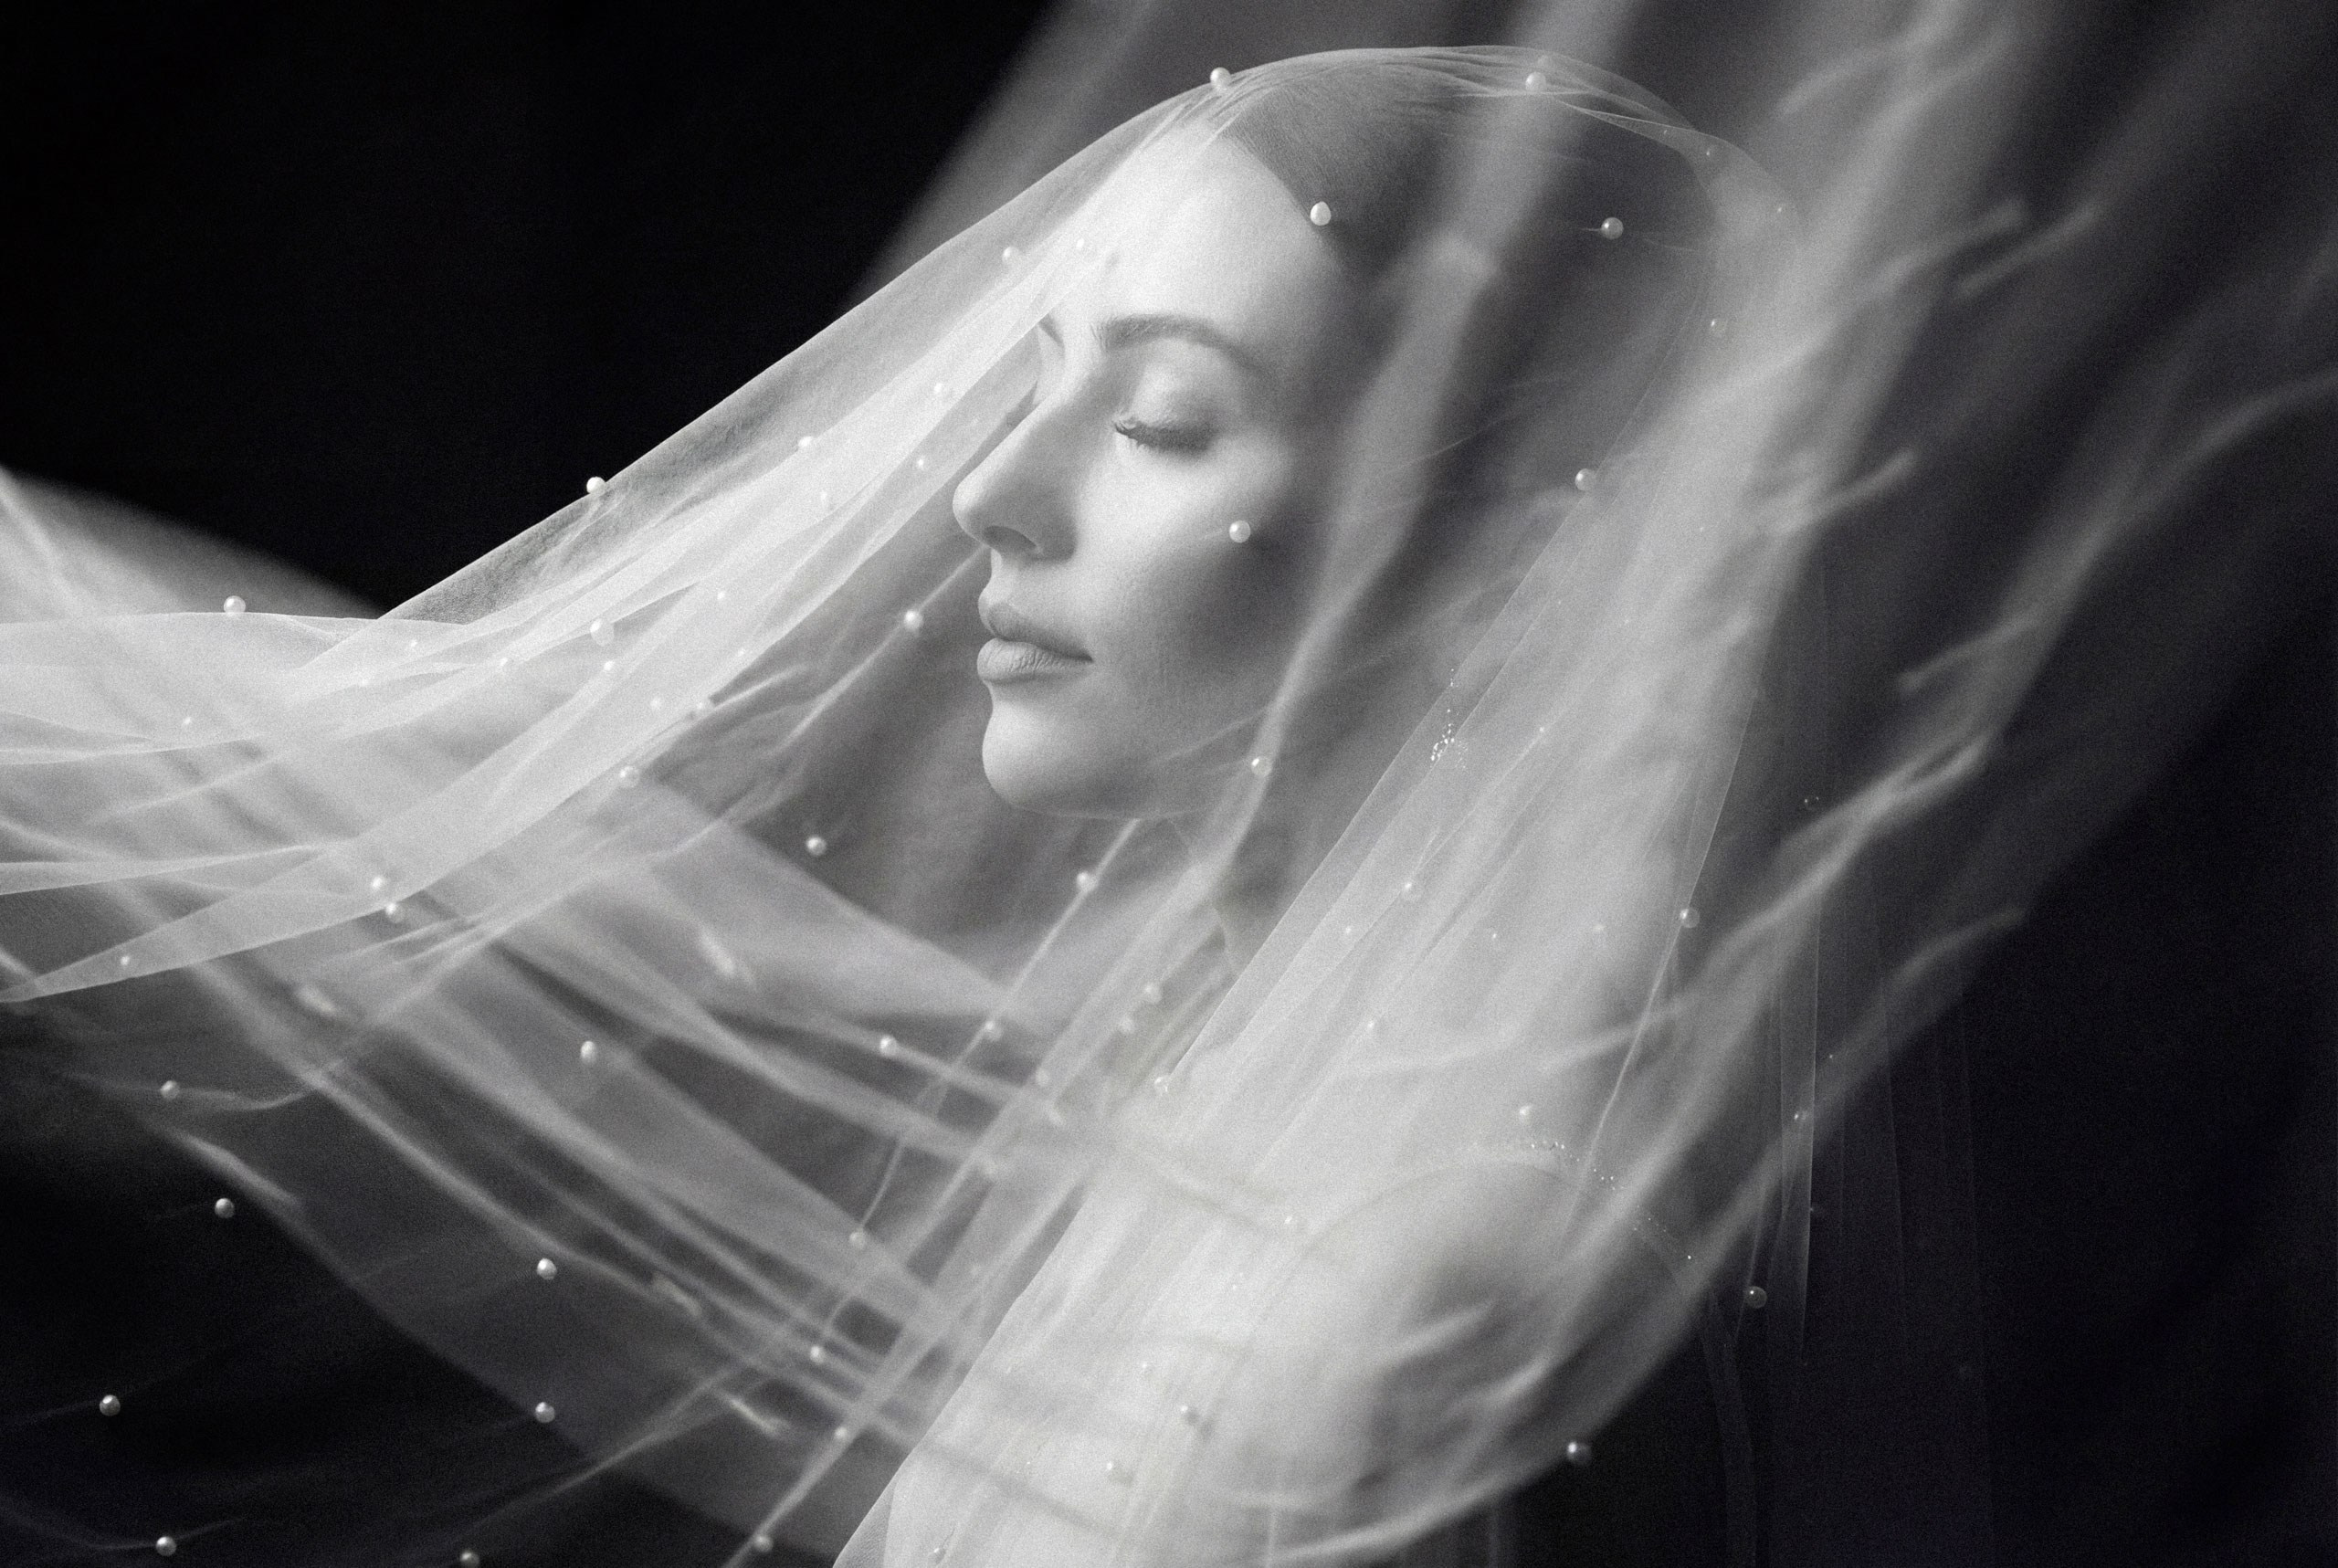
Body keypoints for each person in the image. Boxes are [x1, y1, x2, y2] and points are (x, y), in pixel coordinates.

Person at [0, 25, 2329, 1568]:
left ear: (1514, 537)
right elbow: (526, 884)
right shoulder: (1187, 1063)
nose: (988, 501)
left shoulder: (1426, 1299)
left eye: (1164, 415)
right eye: (1035, 390)